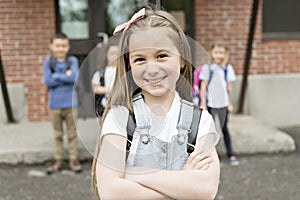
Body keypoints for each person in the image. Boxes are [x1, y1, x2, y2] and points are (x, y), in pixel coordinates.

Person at [92, 7, 220, 200]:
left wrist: (133, 173)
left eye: (161, 56)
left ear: (182, 59)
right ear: (129, 66)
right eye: (140, 59)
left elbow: (206, 189)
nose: (152, 69)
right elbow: (111, 192)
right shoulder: (120, 117)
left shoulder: (200, 121)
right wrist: (183, 184)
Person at [43, 33, 82, 173]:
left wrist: (56, 76)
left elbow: (75, 78)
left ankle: (73, 159)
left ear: (68, 47)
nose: (60, 49)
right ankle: (58, 159)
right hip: (54, 104)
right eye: (57, 45)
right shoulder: (48, 62)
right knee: (57, 134)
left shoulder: (72, 61)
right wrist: (65, 76)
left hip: (71, 103)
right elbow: (47, 81)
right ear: (51, 46)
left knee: (72, 133)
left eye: (63, 46)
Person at [199, 39, 240, 166]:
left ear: (225, 54)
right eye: (216, 52)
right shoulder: (207, 68)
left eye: (221, 53)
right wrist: (203, 103)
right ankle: (209, 155)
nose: (219, 55)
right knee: (209, 129)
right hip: (210, 104)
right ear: (211, 53)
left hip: (223, 105)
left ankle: (230, 153)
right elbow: (203, 87)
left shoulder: (227, 68)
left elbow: (229, 87)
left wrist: (229, 103)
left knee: (224, 129)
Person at [91, 40, 119, 117]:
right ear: (106, 55)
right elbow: (95, 88)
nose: (115, 56)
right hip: (105, 105)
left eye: (117, 54)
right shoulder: (101, 73)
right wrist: (110, 90)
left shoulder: (124, 71)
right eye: (112, 54)